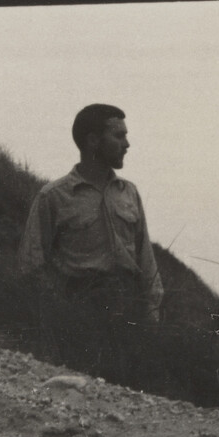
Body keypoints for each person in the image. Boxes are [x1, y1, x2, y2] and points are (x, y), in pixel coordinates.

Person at [18, 103, 164, 382]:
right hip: (79, 314)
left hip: (128, 313)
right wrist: (61, 315)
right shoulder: (53, 197)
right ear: (93, 141)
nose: (127, 144)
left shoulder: (129, 193)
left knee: (129, 391)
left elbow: (146, 261)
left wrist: (151, 315)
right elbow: (31, 263)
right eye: (118, 136)